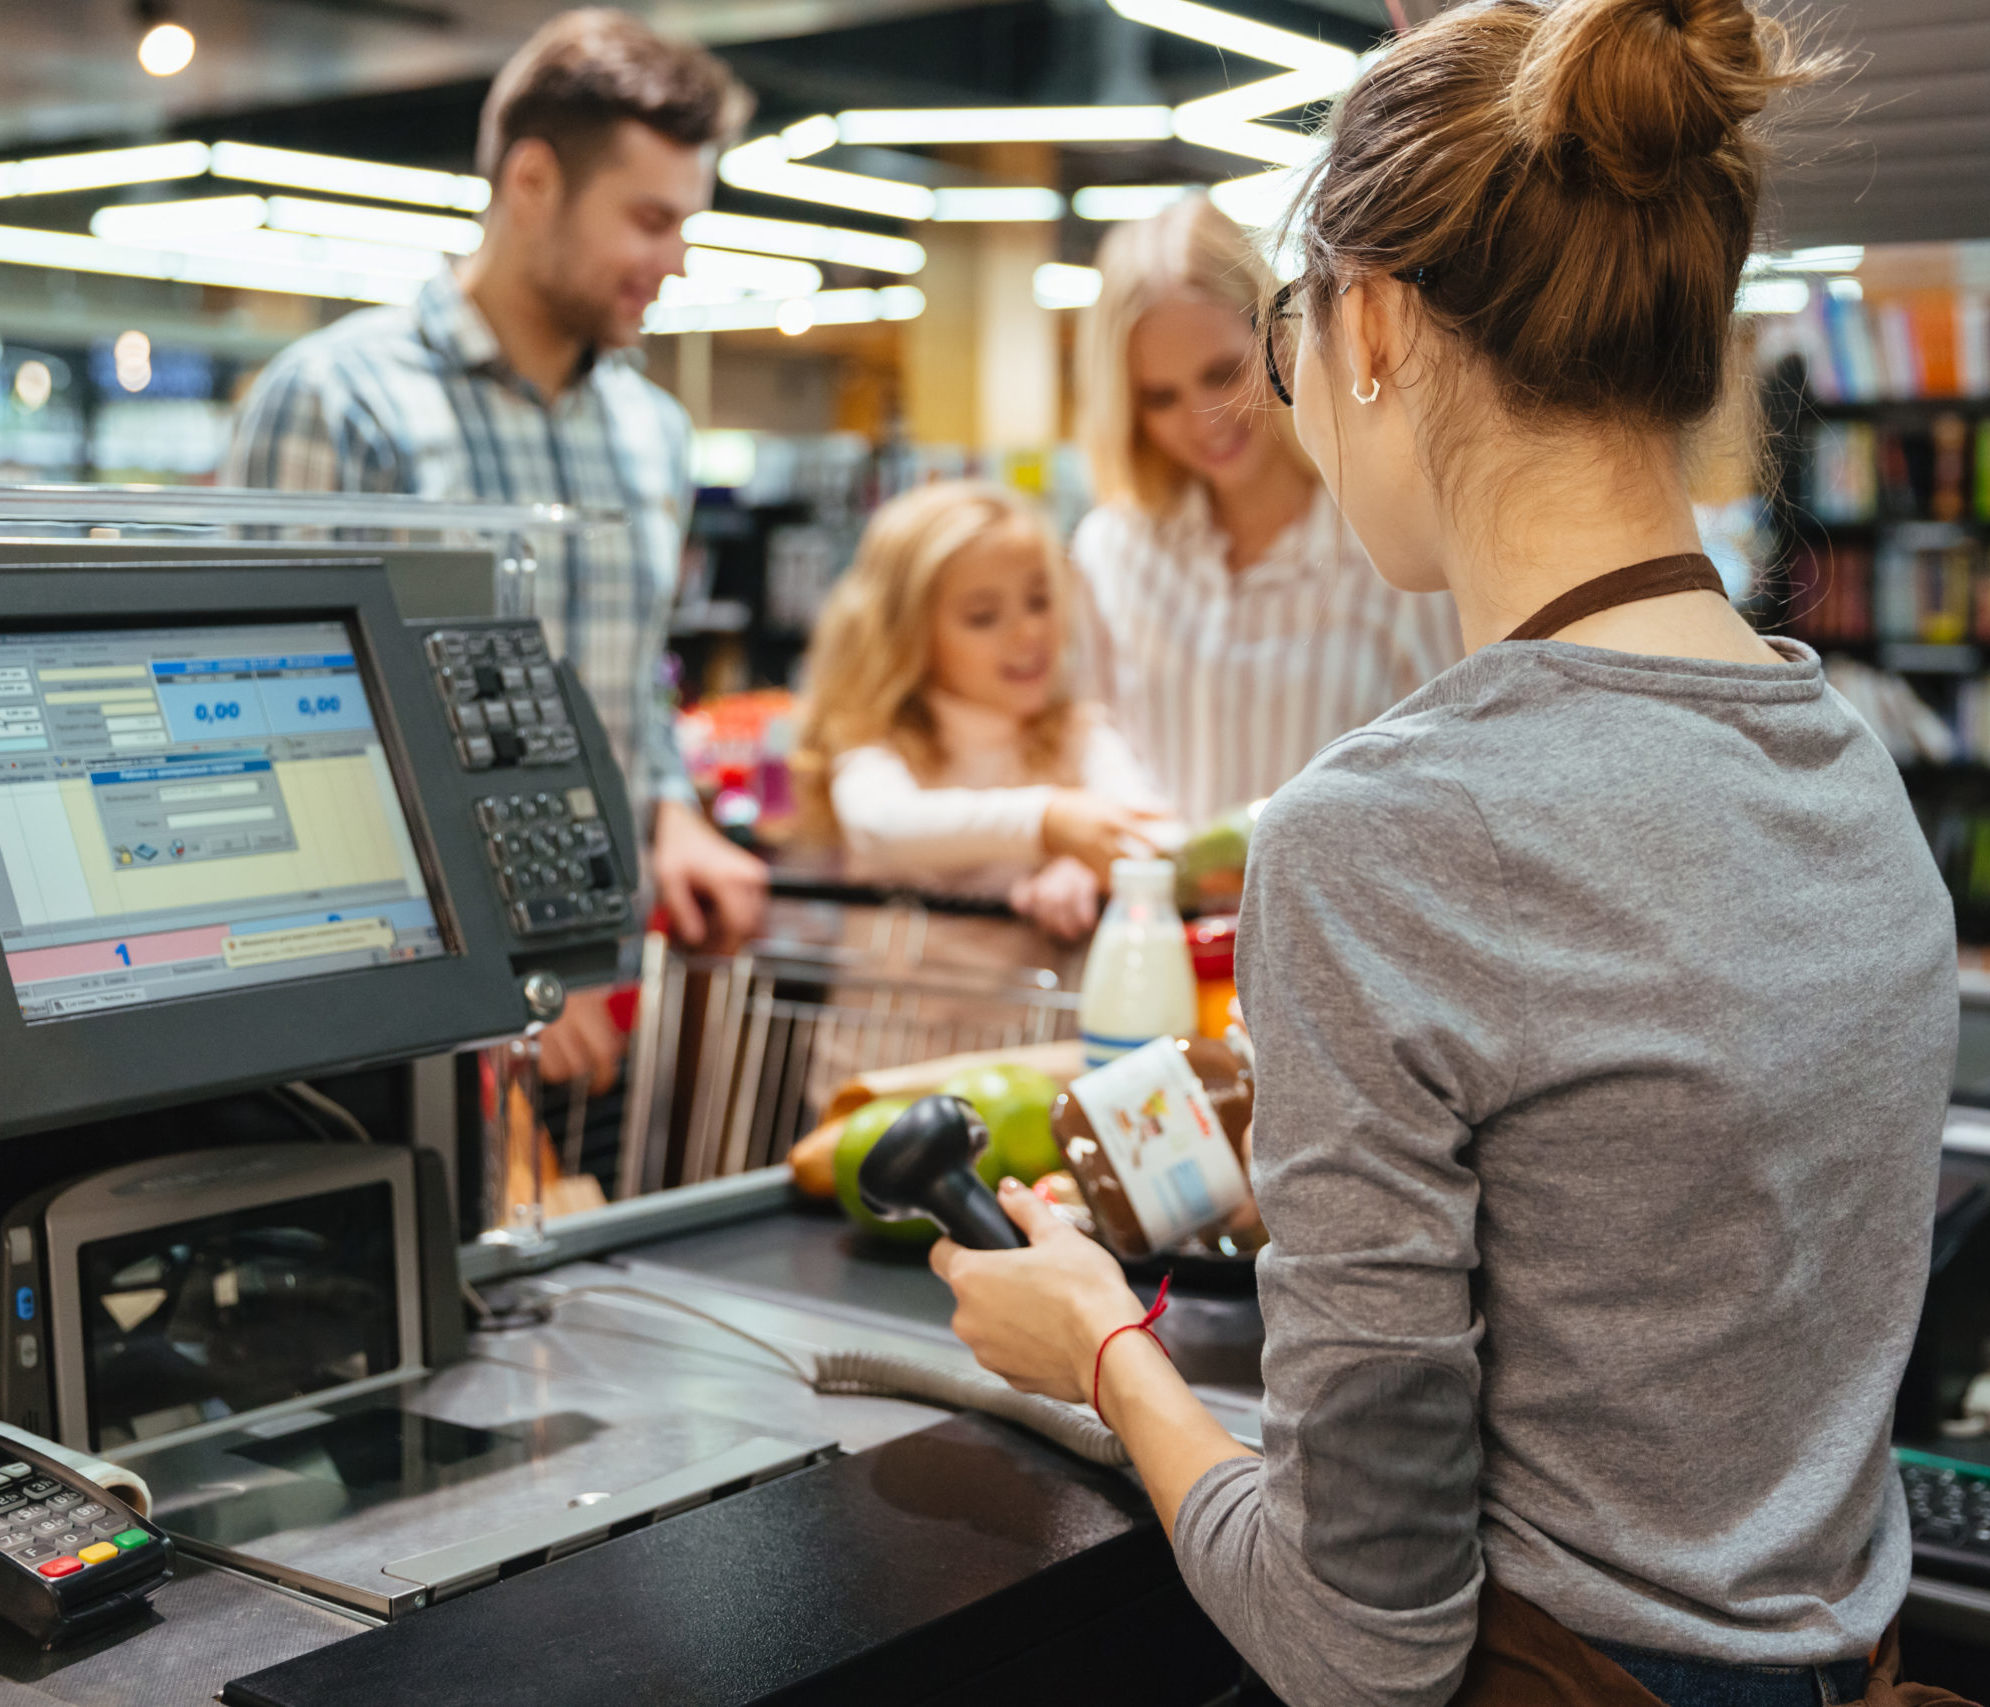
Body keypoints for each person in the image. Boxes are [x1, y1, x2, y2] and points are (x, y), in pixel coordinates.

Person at [931, 2, 1969, 1705]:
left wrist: (1105, 1355)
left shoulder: (1373, 839)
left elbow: (1364, 1638)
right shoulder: (1852, 768)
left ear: (1377, 326)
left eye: (1285, 332)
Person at [225, 9, 767, 1089]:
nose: (674, 261)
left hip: (603, 992)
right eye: (649, 220)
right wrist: (492, 967)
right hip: (392, 1014)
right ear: (532, 182)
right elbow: (276, 726)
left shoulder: (651, 432)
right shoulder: (342, 400)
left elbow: (628, 684)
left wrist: (670, 814)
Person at [1071, 194, 1461, 829]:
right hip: (1161, 920)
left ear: (1282, 336)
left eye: (1223, 373)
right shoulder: (1110, 551)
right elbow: (1087, 728)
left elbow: (1456, 755)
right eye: (1161, 397)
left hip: (1341, 919)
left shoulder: (1391, 540)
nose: (1204, 420)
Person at [796, 480, 1170, 942]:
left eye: (1039, 600)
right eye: (982, 616)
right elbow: (882, 824)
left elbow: (1157, 835)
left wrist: (1086, 867)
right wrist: (1046, 822)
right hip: (886, 1013)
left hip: (1037, 1013)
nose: (1028, 632)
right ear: (908, 634)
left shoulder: (1076, 733)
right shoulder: (874, 737)